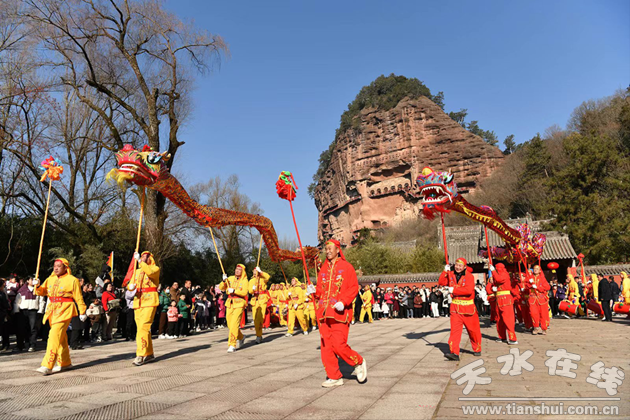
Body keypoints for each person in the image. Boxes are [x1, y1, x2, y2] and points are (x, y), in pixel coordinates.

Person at [309, 239, 366, 388]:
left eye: (330, 249)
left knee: (339, 345)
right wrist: (313, 291)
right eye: (326, 249)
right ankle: (334, 376)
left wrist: (344, 301)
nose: (327, 251)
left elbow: (353, 287)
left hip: (339, 313)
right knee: (326, 346)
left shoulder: (347, 267)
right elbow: (320, 290)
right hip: (324, 313)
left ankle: (358, 362)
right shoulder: (323, 269)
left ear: (337, 250)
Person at [33, 258, 87, 375]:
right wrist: (37, 286)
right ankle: (65, 362)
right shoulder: (50, 279)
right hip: (52, 310)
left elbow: (78, 297)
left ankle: (47, 365)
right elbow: (41, 292)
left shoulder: (73, 280)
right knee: (61, 338)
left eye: (58, 266)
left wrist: (82, 311)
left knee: (53, 336)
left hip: (65, 310)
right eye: (54, 266)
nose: (56, 268)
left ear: (65, 268)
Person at [438, 258, 482, 361]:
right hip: (455, 309)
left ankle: (477, 348)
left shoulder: (469, 276)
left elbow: (468, 290)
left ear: (465, 267)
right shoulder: (451, 274)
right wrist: (445, 272)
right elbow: (441, 282)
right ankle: (454, 352)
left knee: (473, 331)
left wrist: (453, 290)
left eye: (460, 266)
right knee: (455, 332)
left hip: (468, 309)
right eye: (456, 265)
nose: (457, 267)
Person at [128, 251, 160, 366]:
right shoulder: (137, 271)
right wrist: (130, 287)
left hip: (150, 301)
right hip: (138, 301)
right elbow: (130, 283)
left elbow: (149, 272)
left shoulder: (155, 269)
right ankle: (149, 353)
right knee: (142, 329)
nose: (144, 258)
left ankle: (140, 354)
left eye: (146, 256)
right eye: (142, 256)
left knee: (143, 327)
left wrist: (140, 261)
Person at [219, 264, 248, 353]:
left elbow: (244, 292)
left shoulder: (245, 280)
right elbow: (221, 288)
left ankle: (232, 344)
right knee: (230, 324)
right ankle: (241, 337)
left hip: (239, 303)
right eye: (236, 269)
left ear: (242, 271)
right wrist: (224, 281)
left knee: (234, 324)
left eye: (239, 269)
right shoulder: (230, 278)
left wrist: (235, 291)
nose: (237, 270)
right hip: (230, 303)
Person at [15, 277, 46, 352]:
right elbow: (17, 302)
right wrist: (16, 311)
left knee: (33, 328)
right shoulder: (22, 290)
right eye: (32, 280)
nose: (33, 281)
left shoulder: (38, 290)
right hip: (23, 311)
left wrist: (40, 311)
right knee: (21, 328)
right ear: (28, 281)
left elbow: (42, 301)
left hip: (33, 311)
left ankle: (32, 345)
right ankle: (20, 345)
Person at [490, 263, 518, 344]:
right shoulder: (499, 274)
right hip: (499, 299)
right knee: (499, 319)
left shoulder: (504, 274)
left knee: (508, 319)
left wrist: (493, 271)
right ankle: (502, 336)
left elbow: (499, 279)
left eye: (496, 268)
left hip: (505, 299)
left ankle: (512, 338)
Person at [248, 266, 270, 344]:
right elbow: (250, 291)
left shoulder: (262, 279)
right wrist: (253, 289)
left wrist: (261, 272)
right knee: (255, 319)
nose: (255, 272)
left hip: (262, 298)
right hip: (255, 299)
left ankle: (258, 335)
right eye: (254, 271)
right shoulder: (251, 280)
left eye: (256, 271)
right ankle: (259, 335)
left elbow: (268, 277)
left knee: (260, 318)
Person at [526, 265, 551, 335]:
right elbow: (526, 286)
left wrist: (537, 287)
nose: (535, 270)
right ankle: (536, 327)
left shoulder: (542, 278)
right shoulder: (530, 277)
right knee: (533, 313)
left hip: (541, 298)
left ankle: (544, 328)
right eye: (534, 268)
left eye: (537, 269)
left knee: (543, 314)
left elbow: (547, 287)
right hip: (532, 298)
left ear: (540, 271)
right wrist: (530, 284)